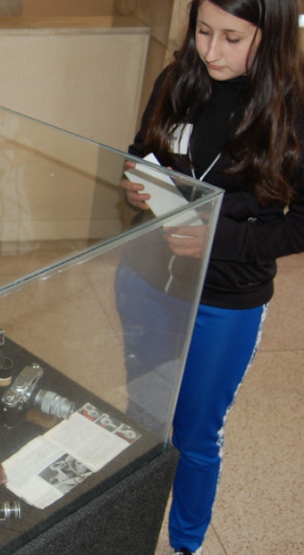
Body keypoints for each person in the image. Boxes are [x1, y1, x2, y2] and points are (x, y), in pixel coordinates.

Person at [117, 1, 304, 553]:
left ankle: (186, 545)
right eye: (202, 31)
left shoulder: (292, 110)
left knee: (195, 435)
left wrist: (219, 237)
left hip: (227, 301)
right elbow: (139, 151)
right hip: (148, 280)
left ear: (268, 37)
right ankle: (129, 529)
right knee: (145, 421)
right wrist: (133, 180)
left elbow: (298, 227)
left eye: (232, 37)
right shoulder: (179, 79)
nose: (212, 51)